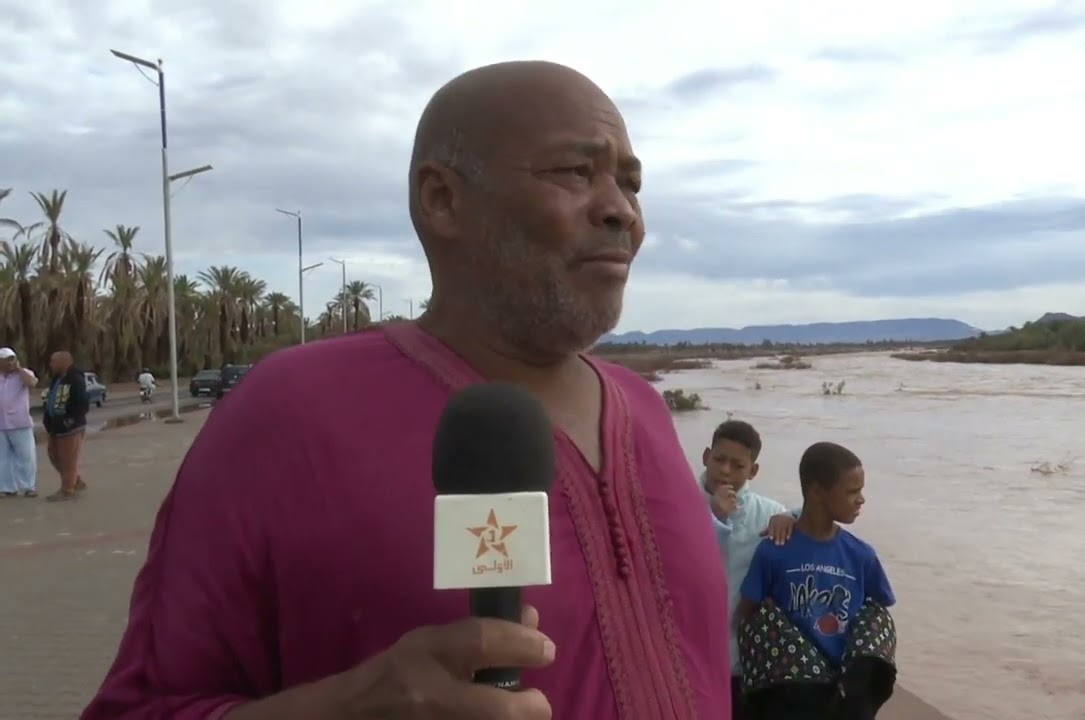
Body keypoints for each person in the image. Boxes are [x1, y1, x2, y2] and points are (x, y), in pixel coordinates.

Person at [84, 61, 729, 720]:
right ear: (442, 199)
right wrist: (344, 709)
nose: (622, 210)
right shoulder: (290, 413)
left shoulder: (645, 409)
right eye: (574, 172)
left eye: (630, 183)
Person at [735, 442, 896, 717]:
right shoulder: (774, 551)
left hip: (843, 695)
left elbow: (879, 609)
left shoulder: (861, 555)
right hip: (790, 696)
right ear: (818, 492)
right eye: (852, 491)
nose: (861, 500)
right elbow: (748, 614)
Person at [701, 419, 795, 719]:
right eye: (719, 459)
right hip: (688, 654)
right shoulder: (679, 502)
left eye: (738, 465)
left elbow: (813, 521)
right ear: (706, 456)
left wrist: (791, 516)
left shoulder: (768, 513)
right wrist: (714, 517)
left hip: (744, 661)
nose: (726, 471)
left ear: (753, 470)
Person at [43, 350, 89, 501]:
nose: (51, 365)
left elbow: (82, 403)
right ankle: (75, 480)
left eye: (53, 362)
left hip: (70, 426)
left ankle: (67, 490)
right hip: (55, 425)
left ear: (65, 362)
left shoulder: (75, 378)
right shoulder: (57, 378)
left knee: (68, 459)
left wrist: (69, 421)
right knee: (53, 455)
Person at [0, 347, 39, 499]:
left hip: (20, 422)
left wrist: (19, 369)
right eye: (6, 360)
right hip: (1, 425)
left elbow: (32, 382)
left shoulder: (23, 374)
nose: (10, 363)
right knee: (3, 458)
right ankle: (7, 487)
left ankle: (29, 486)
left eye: (12, 359)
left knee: (26, 456)